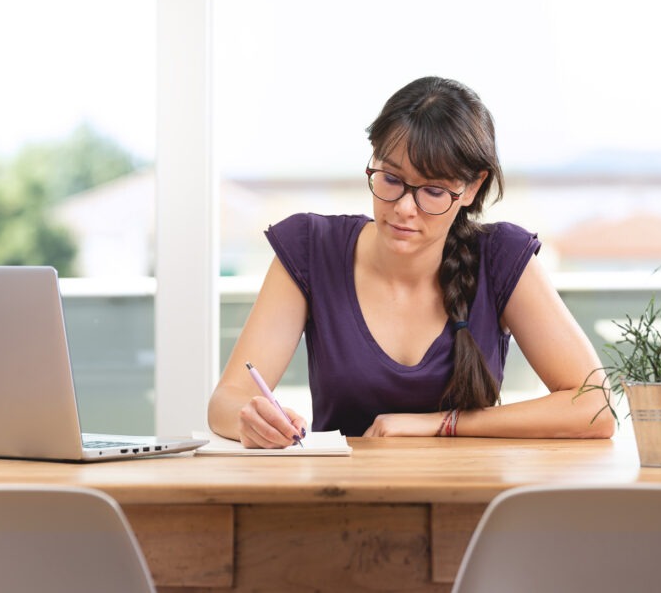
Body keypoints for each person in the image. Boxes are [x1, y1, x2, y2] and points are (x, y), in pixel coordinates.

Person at [207, 76, 614, 447]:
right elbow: (228, 400)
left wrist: (442, 423)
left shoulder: (501, 257)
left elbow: (594, 408)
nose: (403, 208)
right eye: (390, 179)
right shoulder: (311, 248)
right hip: (338, 504)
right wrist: (250, 419)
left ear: (472, 188)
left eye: (433, 191)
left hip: (468, 507)